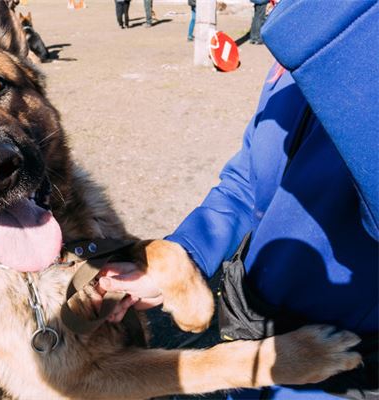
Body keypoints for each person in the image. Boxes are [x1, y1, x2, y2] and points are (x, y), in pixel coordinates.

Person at [98, 1, 379, 399]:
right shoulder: (292, 49)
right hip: (252, 343)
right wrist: (182, 258)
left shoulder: (320, 32)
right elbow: (245, 183)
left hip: (339, 366)